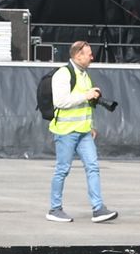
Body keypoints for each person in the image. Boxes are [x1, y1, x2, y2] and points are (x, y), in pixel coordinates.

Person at [41, 36, 117, 224]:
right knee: (62, 170)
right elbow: (60, 101)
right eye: (89, 55)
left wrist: (90, 125)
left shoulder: (84, 75)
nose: (92, 58)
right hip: (66, 131)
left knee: (93, 167)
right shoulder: (63, 74)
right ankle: (54, 209)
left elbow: (86, 105)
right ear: (77, 55)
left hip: (83, 131)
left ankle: (98, 209)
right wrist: (86, 95)